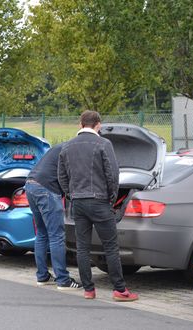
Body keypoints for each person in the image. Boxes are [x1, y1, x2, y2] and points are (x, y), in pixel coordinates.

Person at [58, 110, 138, 301]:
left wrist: (72, 195)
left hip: (77, 202)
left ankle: (88, 290)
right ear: (98, 125)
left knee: (82, 248)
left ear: (80, 124)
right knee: (110, 247)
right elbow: (113, 174)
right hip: (99, 201)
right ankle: (119, 290)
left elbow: (62, 176)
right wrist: (111, 199)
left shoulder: (67, 146)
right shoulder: (104, 143)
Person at [24, 143, 81, 290]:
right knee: (57, 236)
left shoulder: (61, 147)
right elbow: (71, 177)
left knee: (42, 233)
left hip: (30, 185)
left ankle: (42, 276)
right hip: (46, 189)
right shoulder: (74, 151)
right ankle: (63, 280)